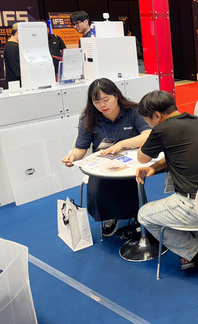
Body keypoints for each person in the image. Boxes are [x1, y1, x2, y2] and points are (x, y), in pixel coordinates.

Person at [136, 90, 198, 270]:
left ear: (157, 116)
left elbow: (141, 158)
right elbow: (178, 153)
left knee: (143, 215)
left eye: (147, 120)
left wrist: (145, 136)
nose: (148, 124)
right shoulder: (196, 121)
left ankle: (197, 250)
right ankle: (192, 241)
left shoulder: (161, 129)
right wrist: (155, 167)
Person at [61, 78, 151, 236]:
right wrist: (72, 157)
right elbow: (80, 148)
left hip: (132, 161)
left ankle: (138, 214)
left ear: (116, 96)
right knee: (97, 189)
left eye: (106, 99)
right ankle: (110, 216)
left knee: (128, 182)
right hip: (103, 163)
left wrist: (122, 145)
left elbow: (148, 135)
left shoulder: (133, 112)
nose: (102, 105)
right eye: (96, 101)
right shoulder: (89, 119)